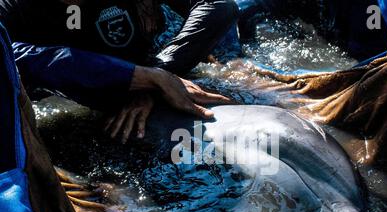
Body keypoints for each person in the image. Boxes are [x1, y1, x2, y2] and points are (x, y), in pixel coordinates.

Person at [0, 0, 239, 143]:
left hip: (150, 65)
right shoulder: (12, 7)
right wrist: (138, 76)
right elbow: (10, 54)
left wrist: (159, 73)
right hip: (56, 96)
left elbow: (219, 6)